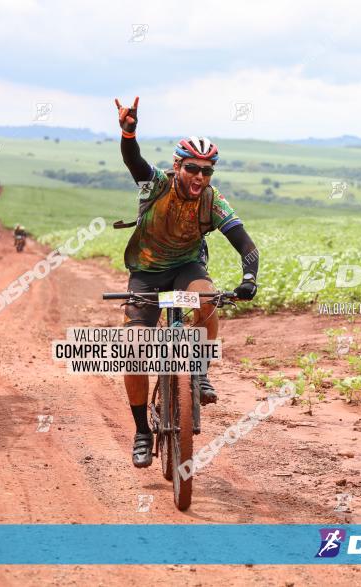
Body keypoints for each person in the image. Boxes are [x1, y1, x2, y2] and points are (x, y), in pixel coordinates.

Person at [114, 96, 259, 468]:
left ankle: (200, 371)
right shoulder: (156, 185)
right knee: (134, 348)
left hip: (186, 268)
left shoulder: (212, 199)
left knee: (209, 298)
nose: (200, 176)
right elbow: (133, 159)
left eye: (207, 171)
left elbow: (245, 244)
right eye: (193, 168)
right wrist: (128, 131)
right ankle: (142, 431)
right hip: (146, 272)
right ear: (177, 165)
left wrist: (248, 278)